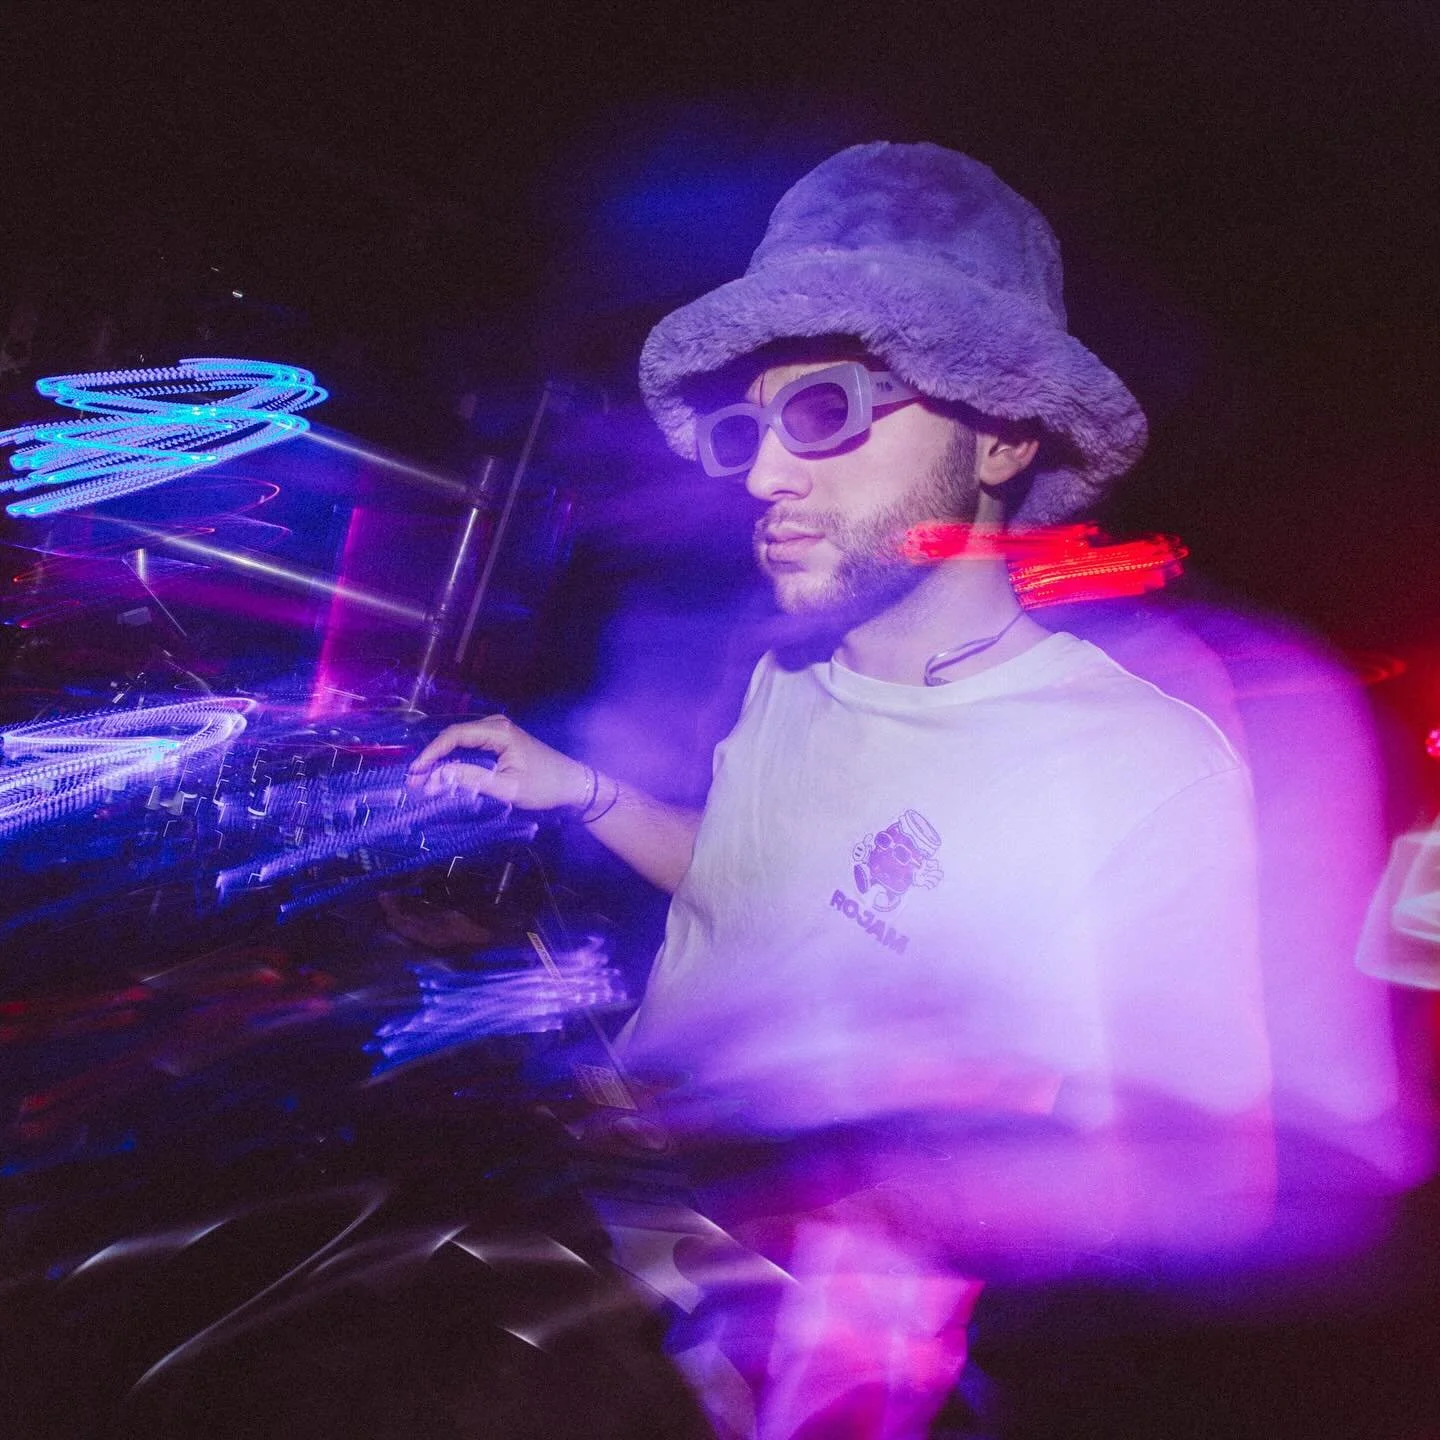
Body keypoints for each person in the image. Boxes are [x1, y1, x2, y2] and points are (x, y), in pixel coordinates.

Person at [411, 143, 1279, 1438]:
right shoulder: (794, 674)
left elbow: (1203, 1181)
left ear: (1000, 437)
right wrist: (579, 788)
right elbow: (750, 881)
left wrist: (851, 1167)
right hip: (600, 1233)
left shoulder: (1138, 765)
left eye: (826, 411)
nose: (765, 475)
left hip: (779, 1375)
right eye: (751, 427)